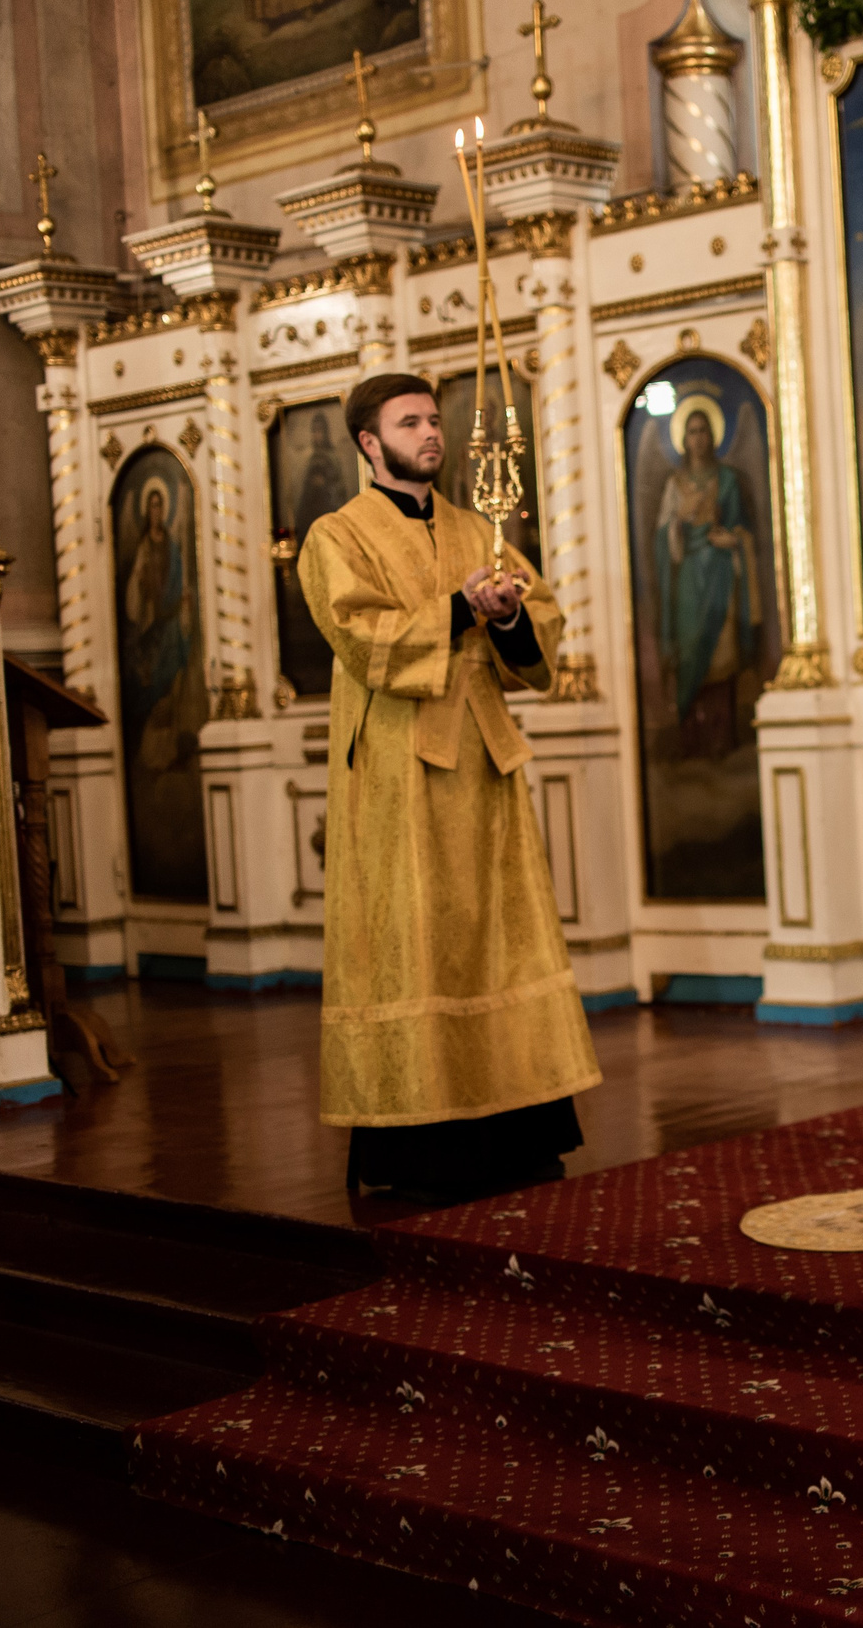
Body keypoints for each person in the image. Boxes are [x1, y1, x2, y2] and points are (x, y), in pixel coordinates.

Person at [297, 372, 601, 1203]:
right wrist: (461, 612)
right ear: (370, 442)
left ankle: (519, 1130)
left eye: (435, 420)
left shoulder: (479, 528)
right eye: (411, 423)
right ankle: (418, 1150)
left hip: (482, 762)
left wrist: (505, 615)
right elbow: (360, 636)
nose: (431, 433)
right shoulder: (337, 534)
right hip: (396, 771)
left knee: (495, 937)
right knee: (414, 940)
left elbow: (541, 641)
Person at [654, 405, 760, 759]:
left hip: (720, 572)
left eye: (703, 431)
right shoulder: (674, 485)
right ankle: (693, 739)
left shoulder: (728, 480)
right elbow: (662, 541)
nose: (698, 438)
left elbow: (744, 528)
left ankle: (722, 737)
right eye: (691, 432)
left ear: (712, 436)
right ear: (683, 440)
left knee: (721, 652)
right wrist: (677, 525)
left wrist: (734, 540)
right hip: (689, 579)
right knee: (692, 649)